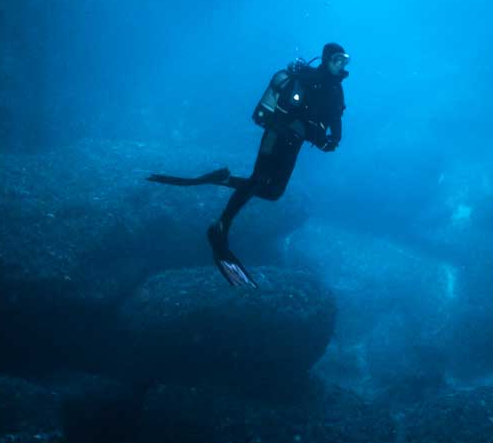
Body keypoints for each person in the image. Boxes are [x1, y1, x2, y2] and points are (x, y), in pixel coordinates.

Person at [148, 42, 349, 286]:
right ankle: (220, 226)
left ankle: (222, 179)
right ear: (326, 59)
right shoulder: (306, 78)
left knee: (274, 193)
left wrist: (334, 140)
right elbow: (294, 114)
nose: (342, 64)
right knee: (257, 180)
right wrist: (314, 135)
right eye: (338, 59)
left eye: (345, 60)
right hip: (276, 136)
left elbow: (335, 116)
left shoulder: (335, 89)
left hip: (293, 144)